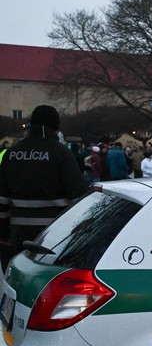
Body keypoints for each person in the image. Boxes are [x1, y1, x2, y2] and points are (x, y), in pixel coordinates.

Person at [0, 105, 90, 267]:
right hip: (54, 232)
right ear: (56, 126)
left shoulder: (11, 153)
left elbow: (2, 199)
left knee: (20, 272)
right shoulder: (61, 153)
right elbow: (79, 196)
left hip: (19, 231)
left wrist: (3, 233)